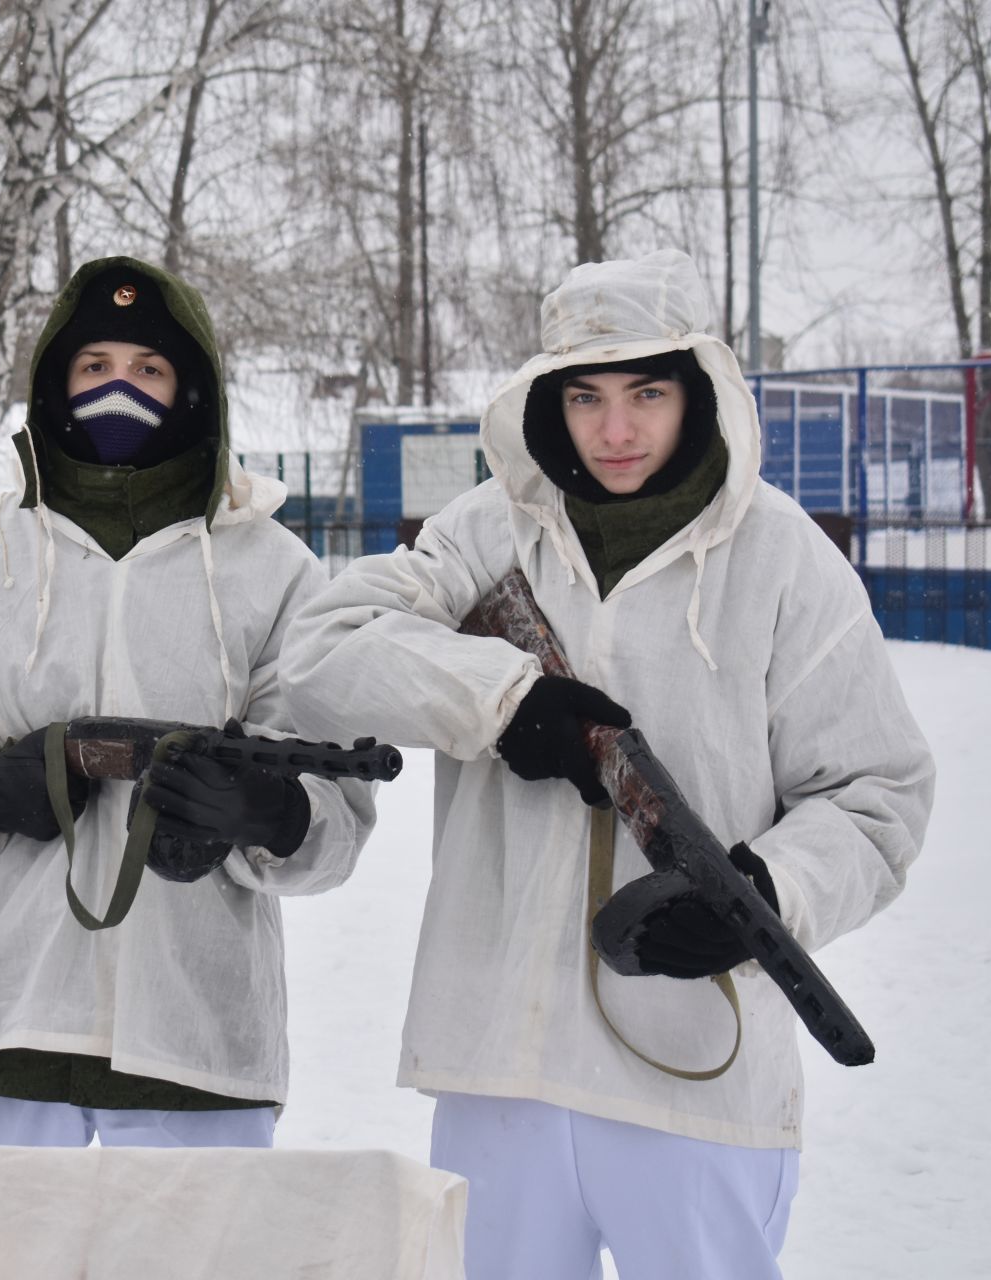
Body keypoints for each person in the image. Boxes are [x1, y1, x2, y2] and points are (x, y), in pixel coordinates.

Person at [281, 250, 934, 1278]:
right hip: (499, 1060)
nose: (616, 428)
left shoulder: (782, 556)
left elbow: (875, 792)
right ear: (549, 400)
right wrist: (502, 700)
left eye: (646, 392)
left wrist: (765, 890)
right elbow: (320, 653)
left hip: (695, 1069)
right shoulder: (484, 532)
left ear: (698, 391)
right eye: (585, 395)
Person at [0, 256, 376, 1148]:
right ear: (54, 385)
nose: (118, 389)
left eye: (148, 369)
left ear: (191, 393)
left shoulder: (277, 573)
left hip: (200, 1047)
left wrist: (272, 813)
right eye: (94, 368)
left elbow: (341, 810)